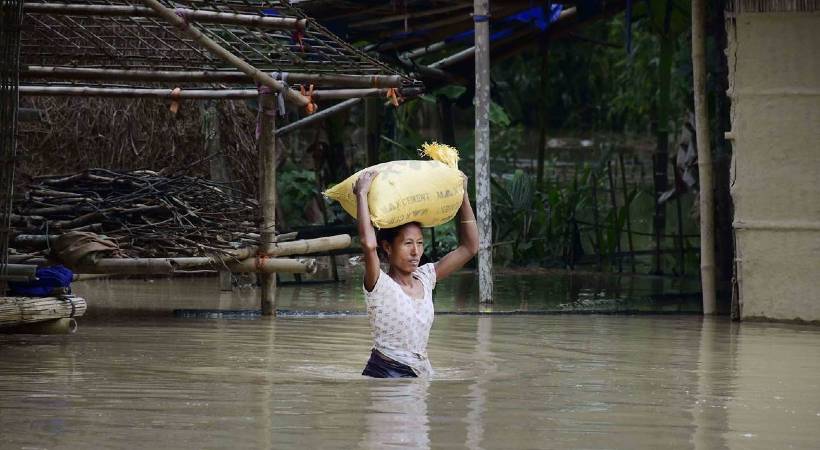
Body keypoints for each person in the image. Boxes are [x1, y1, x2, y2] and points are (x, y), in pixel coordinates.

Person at [354, 170, 479, 378]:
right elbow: (368, 244)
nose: (416, 252)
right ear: (387, 247)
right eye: (408, 243)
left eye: (420, 243)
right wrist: (362, 194)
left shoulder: (425, 277)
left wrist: (463, 195)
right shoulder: (379, 284)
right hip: (386, 374)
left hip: (421, 373)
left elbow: (470, 247)